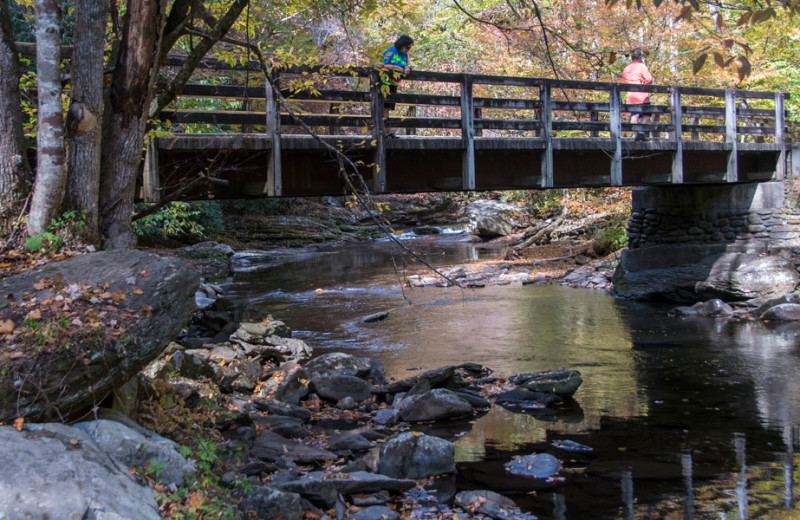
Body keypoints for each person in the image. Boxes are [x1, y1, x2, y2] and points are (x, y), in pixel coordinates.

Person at [380, 35, 413, 138]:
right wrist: (396, 67)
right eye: (407, 47)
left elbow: (408, 64)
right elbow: (382, 65)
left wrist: (408, 67)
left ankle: (387, 132)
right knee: (385, 108)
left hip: (394, 83)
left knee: (389, 108)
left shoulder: (406, 55)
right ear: (401, 45)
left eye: (409, 48)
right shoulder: (391, 51)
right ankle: (385, 133)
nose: (408, 49)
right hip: (385, 82)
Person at [621, 49, 653, 141]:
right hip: (642, 95)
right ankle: (641, 133)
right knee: (647, 114)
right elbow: (649, 79)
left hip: (631, 96)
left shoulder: (627, 68)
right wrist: (643, 83)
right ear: (639, 57)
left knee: (634, 115)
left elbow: (624, 82)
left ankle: (636, 135)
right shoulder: (641, 66)